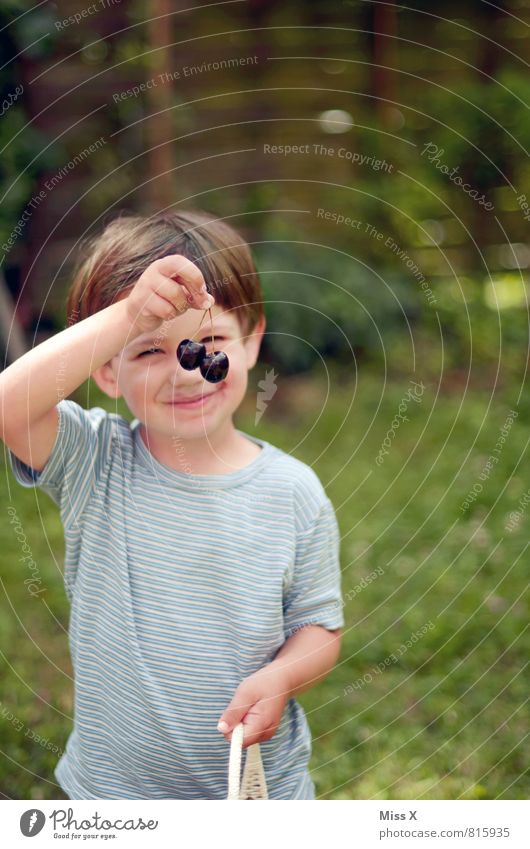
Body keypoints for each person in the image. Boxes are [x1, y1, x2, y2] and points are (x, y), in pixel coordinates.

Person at [0, 209, 344, 800]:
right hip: (117, 796)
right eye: (147, 351)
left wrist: (280, 677)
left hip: (258, 792)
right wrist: (128, 313)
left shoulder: (294, 492)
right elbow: (11, 404)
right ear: (106, 370)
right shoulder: (96, 461)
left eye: (207, 342)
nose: (186, 372)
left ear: (252, 339)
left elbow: (318, 626)